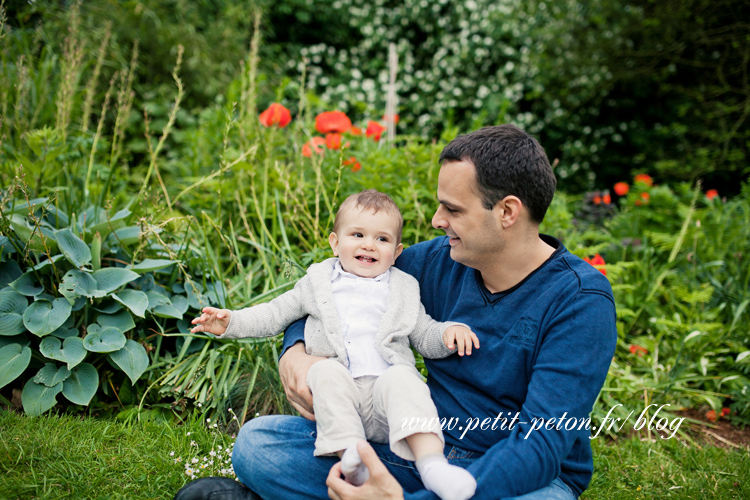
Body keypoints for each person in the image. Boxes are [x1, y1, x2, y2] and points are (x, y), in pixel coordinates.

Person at [176, 124, 618, 500]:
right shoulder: (437, 260)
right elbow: (337, 286)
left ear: (506, 212)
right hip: (420, 445)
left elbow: (542, 446)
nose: (436, 220)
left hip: (519, 477)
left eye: (452, 208)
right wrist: (295, 351)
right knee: (258, 444)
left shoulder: (579, 301)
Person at [188, 190, 479, 500]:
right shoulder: (317, 282)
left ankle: (433, 466)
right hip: (339, 400)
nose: (369, 244)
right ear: (335, 242)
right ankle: (352, 460)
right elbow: (275, 314)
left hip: (386, 404)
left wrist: (448, 333)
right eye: (358, 234)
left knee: (404, 379)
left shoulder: (403, 287)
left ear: (396, 253)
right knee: (325, 370)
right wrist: (231, 322)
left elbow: (422, 332)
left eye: (382, 240)